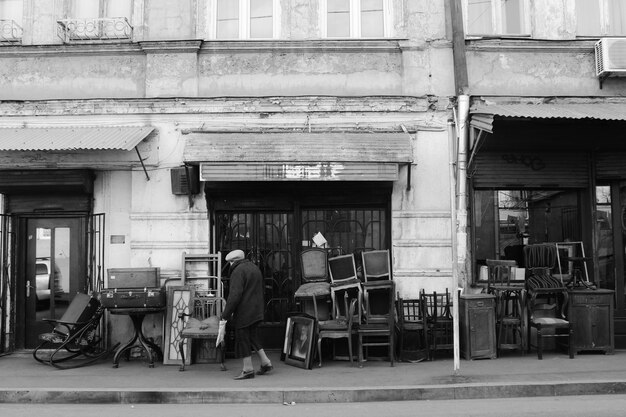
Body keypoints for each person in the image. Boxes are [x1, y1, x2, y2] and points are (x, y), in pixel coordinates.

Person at [221, 249, 273, 380]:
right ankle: (265, 362)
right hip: (257, 309)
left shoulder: (238, 271)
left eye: (230, 263)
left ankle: (248, 369)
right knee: (253, 336)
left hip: (245, 311)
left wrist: (225, 314)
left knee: (243, 337)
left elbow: (234, 296)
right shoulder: (254, 267)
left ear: (233, 262)